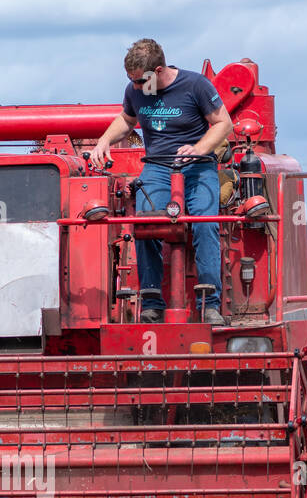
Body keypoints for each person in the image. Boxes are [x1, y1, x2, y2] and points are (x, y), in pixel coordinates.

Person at [90, 38, 233, 324]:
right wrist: (104, 140)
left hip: (197, 167)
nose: (136, 87)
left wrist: (198, 150)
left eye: (141, 81)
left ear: (158, 71)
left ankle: (210, 304)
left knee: (206, 225)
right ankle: (152, 301)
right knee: (146, 225)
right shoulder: (136, 90)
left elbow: (223, 124)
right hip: (156, 167)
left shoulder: (196, 85)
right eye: (131, 81)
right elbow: (127, 120)